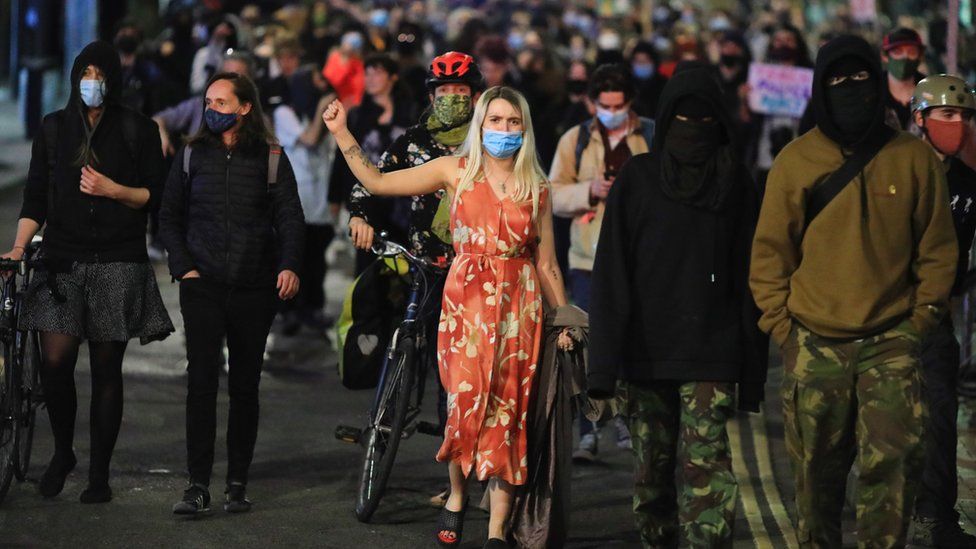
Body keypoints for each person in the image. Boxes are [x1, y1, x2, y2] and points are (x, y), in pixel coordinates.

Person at [323, 85, 573, 548]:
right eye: (495, 120)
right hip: (466, 304)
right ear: (481, 125)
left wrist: (564, 321)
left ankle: (497, 528)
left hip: (521, 311)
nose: (504, 129)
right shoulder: (454, 170)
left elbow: (546, 263)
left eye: (512, 122)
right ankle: (457, 494)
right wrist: (341, 133)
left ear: (525, 128)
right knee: (464, 406)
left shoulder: (537, 186)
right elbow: (378, 182)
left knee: (509, 414)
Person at [750, 35, 957, 547]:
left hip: (892, 342)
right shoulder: (795, 163)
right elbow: (770, 257)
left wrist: (920, 323)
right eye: (838, 80)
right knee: (815, 484)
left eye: (862, 78)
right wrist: (786, 331)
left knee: (893, 478)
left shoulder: (913, 159)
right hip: (814, 342)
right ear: (820, 88)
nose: (851, 90)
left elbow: (938, 249)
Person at [588, 65, 768, 549]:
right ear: (667, 120)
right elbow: (612, 273)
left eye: (704, 118)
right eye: (684, 117)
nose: (694, 128)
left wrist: (752, 371)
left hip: (711, 354)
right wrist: (602, 368)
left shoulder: (737, 186)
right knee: (653, 479)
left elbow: (752, 277)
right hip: (646, 355)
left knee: (707, 478)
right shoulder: (639, 180)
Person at [1, 40, 174, 503]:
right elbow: (36, 196)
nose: (91, 82)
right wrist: (19, 247)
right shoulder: (56, 129)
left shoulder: (137, 130)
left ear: (112, 80)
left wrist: (114, 189)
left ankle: (100, 474)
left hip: (118, 260)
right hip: (62, 260)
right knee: (55, 363)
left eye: (99, 74)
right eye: (85, 73)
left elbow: (155, 197)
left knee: (105, 370)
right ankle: (62, 451)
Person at [158, 72, 305, 515]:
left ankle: (237, 480)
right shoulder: (190, 154)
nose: (212, 109)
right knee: (200, 382)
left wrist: (289, 264)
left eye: (222, 102)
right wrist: (184, 268)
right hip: (202, 286)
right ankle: (197, 484)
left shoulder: (272, 156)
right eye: (209, 101)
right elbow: (169, 216)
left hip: (254, 287)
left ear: (245, 108)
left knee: (245, 386)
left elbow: (290, 217)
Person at [549, 63, 653, 462]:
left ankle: (627, 420)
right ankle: (588, 429)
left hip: (639, 259)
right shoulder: (575, 140)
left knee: (633, 343)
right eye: (604, 105)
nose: (612, 112)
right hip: (588, 258)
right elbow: (553, 195)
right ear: (593, 103)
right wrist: (588, 191)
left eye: (619, 105)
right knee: (585, 345)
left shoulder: (650, 134)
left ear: (630, 103)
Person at [908, 74, 976, 548]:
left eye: (964, 117)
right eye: (947, 116)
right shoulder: (898, 172)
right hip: (888, 316)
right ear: (921, 120)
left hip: (937, 317)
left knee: (939, 418)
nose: (958, 125)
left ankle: (935, 514)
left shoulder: (968, 183)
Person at [329, 53, 416, 274]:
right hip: (367, 202)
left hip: (403, 204)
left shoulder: (411, 113)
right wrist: (335, 198)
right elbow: (342, 158)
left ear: (393, 77)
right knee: (367, 270)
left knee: (403, 272)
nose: (370, 79)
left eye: (377, 73)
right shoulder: (357, 115)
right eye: (367, 74)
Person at [273, 68, 338, 337]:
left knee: (316, 260)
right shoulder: (285, 114)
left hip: (320, 203)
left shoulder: (325, 121)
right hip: (296, 201)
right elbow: (309, 139)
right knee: (292, 258)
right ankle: (287, 310)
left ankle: (312, 308)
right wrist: (323, 106)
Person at [883, 28, 927, 132]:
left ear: (920, 57)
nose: (905, 57)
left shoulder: (930, 89)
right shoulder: (873, 89)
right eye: (897, 52)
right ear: (885, 56)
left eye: (911, 52)